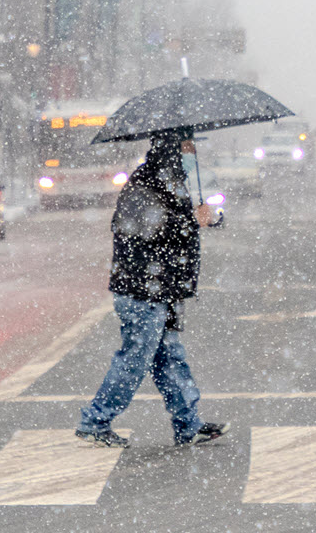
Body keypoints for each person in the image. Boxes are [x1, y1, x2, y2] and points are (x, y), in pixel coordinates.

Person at [76, 136, 226, 448]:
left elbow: (178, 226)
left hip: (163, 289)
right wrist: (189, 220)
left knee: (170, 359)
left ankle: (188, 425)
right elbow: (142, 230)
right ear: (171, 149)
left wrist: (210, 218)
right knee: (134, 360)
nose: (193, 153)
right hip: (142, 291)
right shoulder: (145, 184)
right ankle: (95, 420)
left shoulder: (171, 183)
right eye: (188, 147)